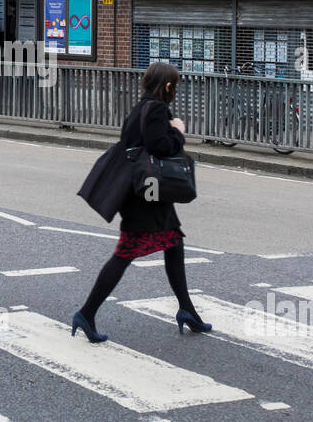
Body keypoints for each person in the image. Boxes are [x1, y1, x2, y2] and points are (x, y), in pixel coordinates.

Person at [72, 61, 211, 343]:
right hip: (144, 196)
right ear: (169, 86)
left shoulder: (141, 107)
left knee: (173, 242)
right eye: (175, 86)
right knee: (125, 252)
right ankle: (86, 313)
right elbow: (159, 146)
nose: (175, 91)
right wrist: (178, 131)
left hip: (146, 192)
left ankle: (187, 310)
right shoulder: (156, 109)